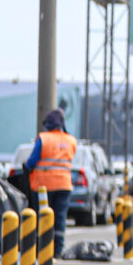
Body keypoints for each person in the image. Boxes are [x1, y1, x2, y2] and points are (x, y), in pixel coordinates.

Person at [22, 107, 76, 254]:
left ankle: (43, 250)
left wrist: (26, 167)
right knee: (60, 218)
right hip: (64, 185)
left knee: (44, 218)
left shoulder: (44, 139)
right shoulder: (71, 140)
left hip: (43, 187)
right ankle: (57, 250)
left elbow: (31, 162)